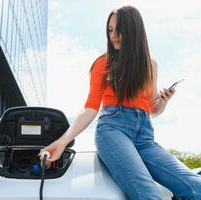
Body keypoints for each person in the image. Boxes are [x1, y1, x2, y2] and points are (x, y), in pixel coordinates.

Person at [40, 5, 201, 200]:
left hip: (145, 137)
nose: (113, 35)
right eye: (110, 30)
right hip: (113, 130)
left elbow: (151, 109)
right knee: (149, 194)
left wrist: (164, 102)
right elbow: (90, 108)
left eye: (119, 29)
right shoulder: (103, 63)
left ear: (134, 30)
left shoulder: (150, 65)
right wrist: (62, 141)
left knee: (196, 187)